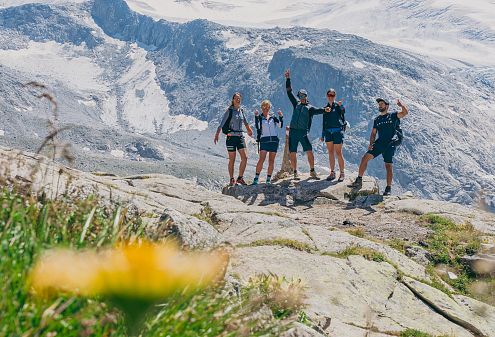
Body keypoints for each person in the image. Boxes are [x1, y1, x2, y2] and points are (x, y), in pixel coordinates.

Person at [349, 98, 408, 196]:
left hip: (390, 144)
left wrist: (401, 105)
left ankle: (388, 189)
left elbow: (405, 113)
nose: (380, 105)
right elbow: (373, 133)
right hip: (379, 143)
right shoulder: (377, 119)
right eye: (379, 104)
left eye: (382, 104)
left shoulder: (393, 115)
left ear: (387, 106)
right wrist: (371, 144)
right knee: (365, 158)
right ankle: (359, 180)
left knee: (388, 165)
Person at [284, 69, 330, 180]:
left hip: (303, 132)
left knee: (309, 151)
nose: (301, 98)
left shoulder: (310, 108)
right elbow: (289, 92)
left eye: (303, 96)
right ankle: (295, 172)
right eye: (299, 96)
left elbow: (319, 110)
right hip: (293, 132)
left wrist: (326, 109)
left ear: (306, 96)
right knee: (292, 152)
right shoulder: (296, 104)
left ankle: (312, 171)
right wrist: (288, 79)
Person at [214, 92, 253, 186]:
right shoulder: (229, 111)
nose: (238, 100)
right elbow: (222, 123)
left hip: (240, 137)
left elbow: (245, 122)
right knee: (232, 159)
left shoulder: (241, 111)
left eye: (239, 98)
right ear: (233, 100)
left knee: (245, 157)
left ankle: (240, 178)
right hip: (231, 138)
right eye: (236, 98)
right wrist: (217, 134)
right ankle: (232, 179)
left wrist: (249, 130)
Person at [252, 100, 283, 185]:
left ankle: (268, 180)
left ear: (269, 108)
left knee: (271, 161)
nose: (266, 108)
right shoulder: (260, 117)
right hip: (264, 140)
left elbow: (280, 125)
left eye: (268, 107)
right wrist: (256, 116)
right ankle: (256, 179)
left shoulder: (273, 117)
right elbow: (258, 127)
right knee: (261, 159)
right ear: (261, 108)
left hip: (274, 140)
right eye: (264, 107)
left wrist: (281, 116)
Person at [320, 88, 346, 181]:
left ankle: (342, 173)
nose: (331, 97)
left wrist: (340, 105)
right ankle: (332, 172)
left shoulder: (338, 106)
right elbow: (324, 122)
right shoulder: (325, 108)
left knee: (338, 152)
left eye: (333, 95)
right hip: (328, 132)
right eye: (329, 95)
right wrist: (322, 135)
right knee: (330, 152)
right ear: (327, 96)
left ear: (335, 96)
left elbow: (343, 111)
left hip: (337, 131)